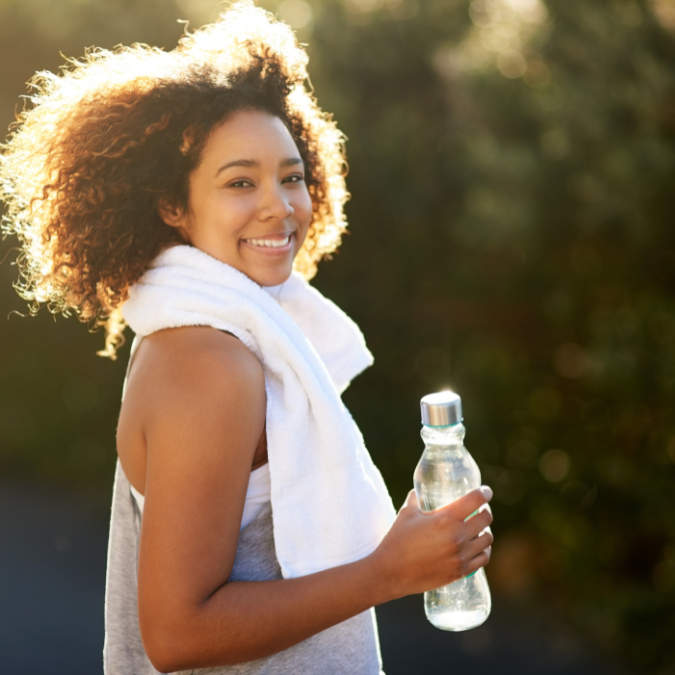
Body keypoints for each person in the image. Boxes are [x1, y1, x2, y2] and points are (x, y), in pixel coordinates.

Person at [0, 2, 494, 673]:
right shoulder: (207, 359)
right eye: (240, 181)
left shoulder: (214, 334)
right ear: (173, 205)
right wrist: (387, 572)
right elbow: (177, 634)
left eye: (291, 176)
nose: (279, 205)